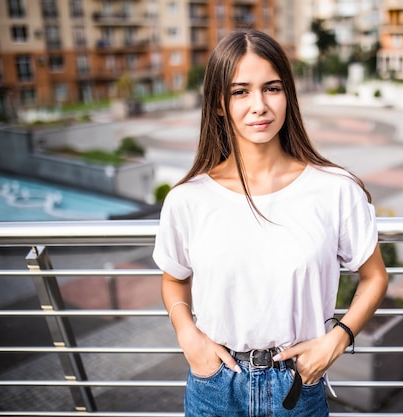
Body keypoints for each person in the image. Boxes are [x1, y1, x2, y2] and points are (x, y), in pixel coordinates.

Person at [153, 29, 388, 417]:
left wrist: (337, 340)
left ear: (288, 96)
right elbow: (173, 278)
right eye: (240, 91)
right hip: (214, 384)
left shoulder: (335, 189)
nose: (259, 105)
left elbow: (375, 276)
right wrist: (187, 336)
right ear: (218, 104)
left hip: (297, 383)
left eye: (272, 88)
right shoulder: (187, 199)